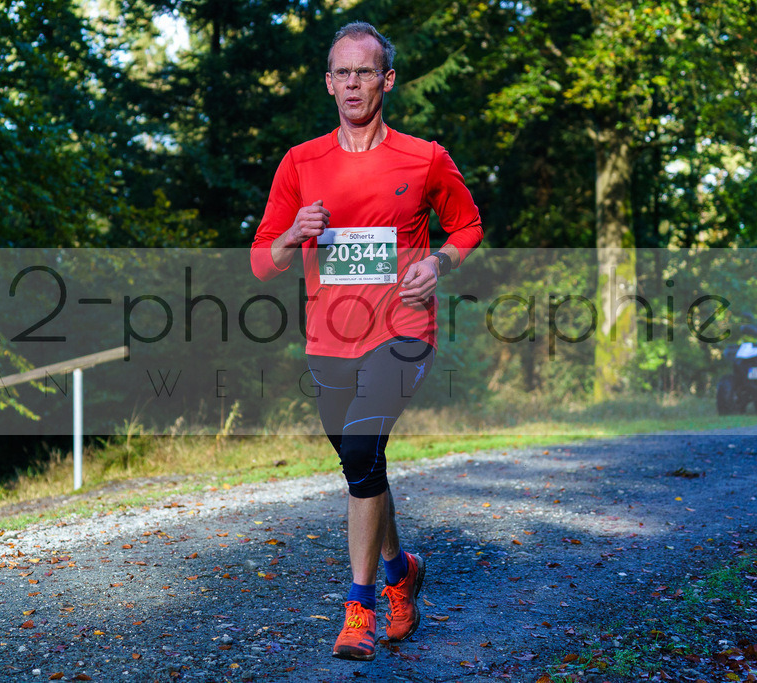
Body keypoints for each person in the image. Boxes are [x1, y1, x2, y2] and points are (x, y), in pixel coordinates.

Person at [250, 21, 483, 661]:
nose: (354, 83)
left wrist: (439, 263)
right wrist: (293, 233)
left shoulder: (424, 157)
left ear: (388, 79)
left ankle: (359, 610)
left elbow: (467, 225)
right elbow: (260, 263)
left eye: (366, 71)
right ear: (329, 84)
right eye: (342, 73)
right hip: (330, 336)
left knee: (360, 446)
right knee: (363, 464)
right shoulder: (300, 163)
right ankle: (401, 572)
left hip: (404, 329)